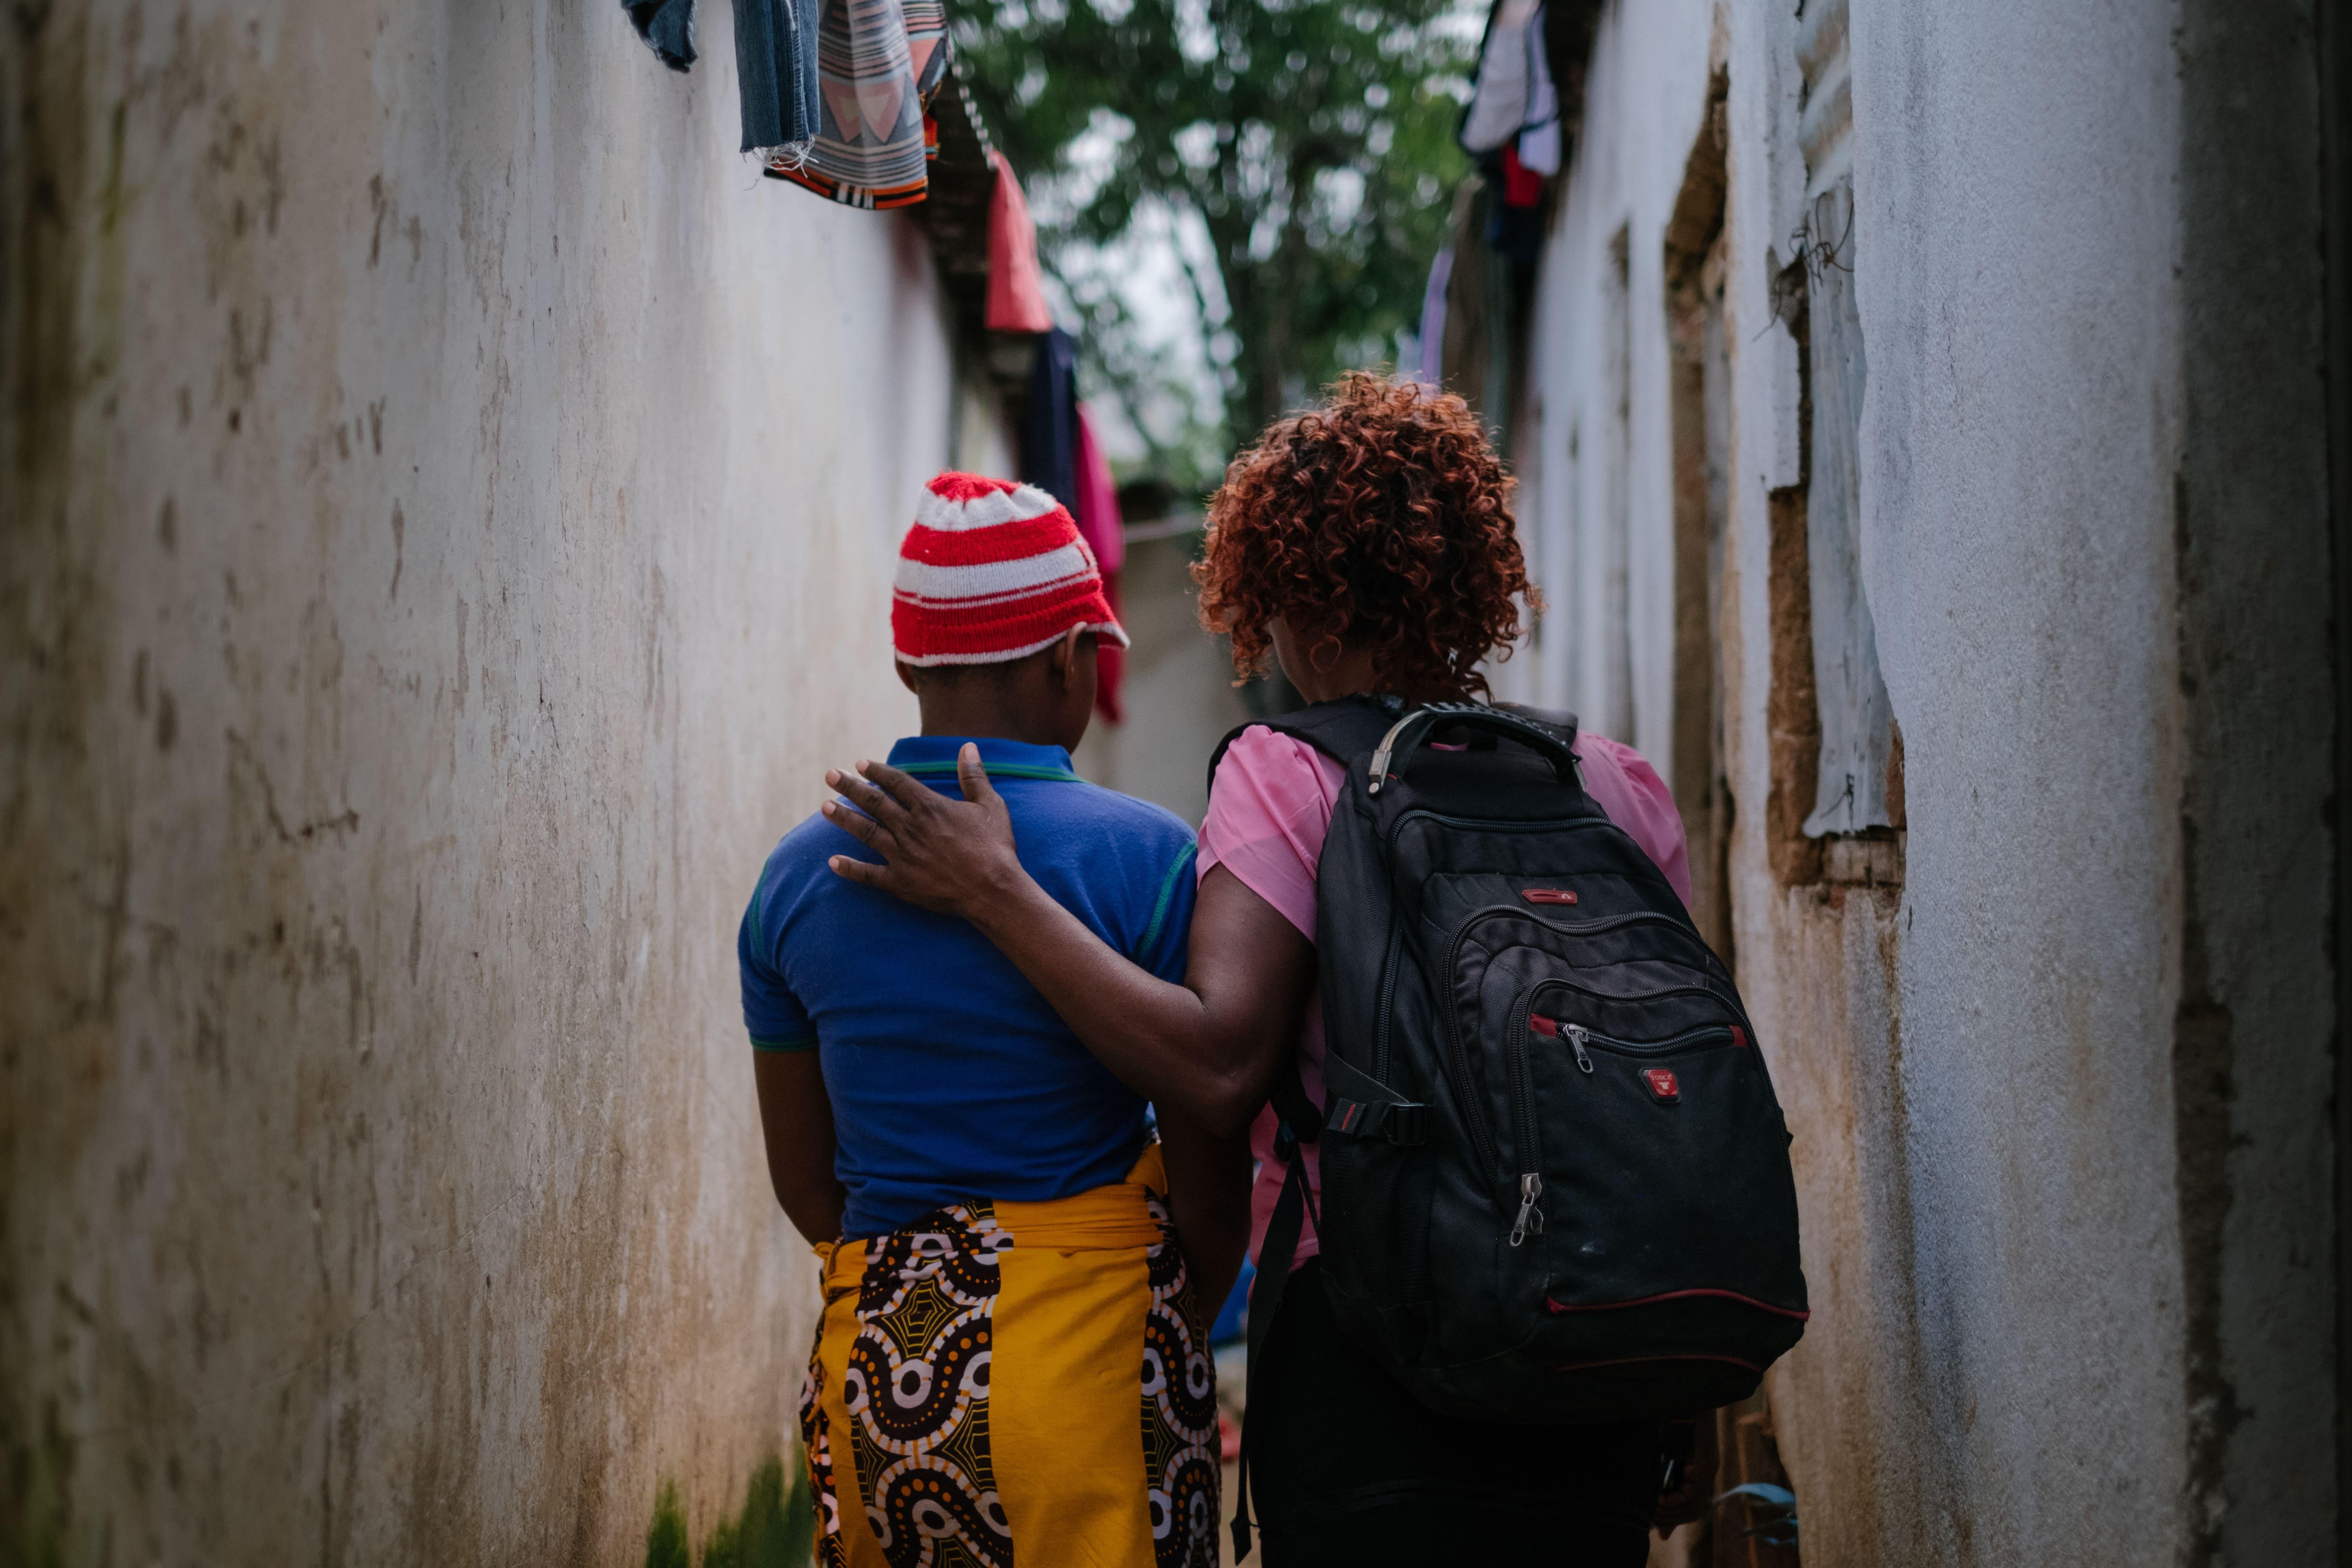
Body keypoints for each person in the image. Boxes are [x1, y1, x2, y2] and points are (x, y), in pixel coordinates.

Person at [817, 376, 1719, 1566]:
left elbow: (1219, 1062)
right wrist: (1690, 1388)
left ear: (1297, 607)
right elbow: (1676, 1107)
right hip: (1600, 1338)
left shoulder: (1287, 776)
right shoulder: (1612, 782)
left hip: (1368, 1345)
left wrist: (994, 889)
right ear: (1470, 582)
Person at [740, 472, 1244, 1568]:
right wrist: (1165, 1318)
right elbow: (1212, 1189)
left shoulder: (794, 880)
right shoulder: (1148, 856)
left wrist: (921, 1286)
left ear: (909, 663)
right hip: (1094, 1361)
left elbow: (806, 1182)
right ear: (1070, 659)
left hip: (879, 1372)